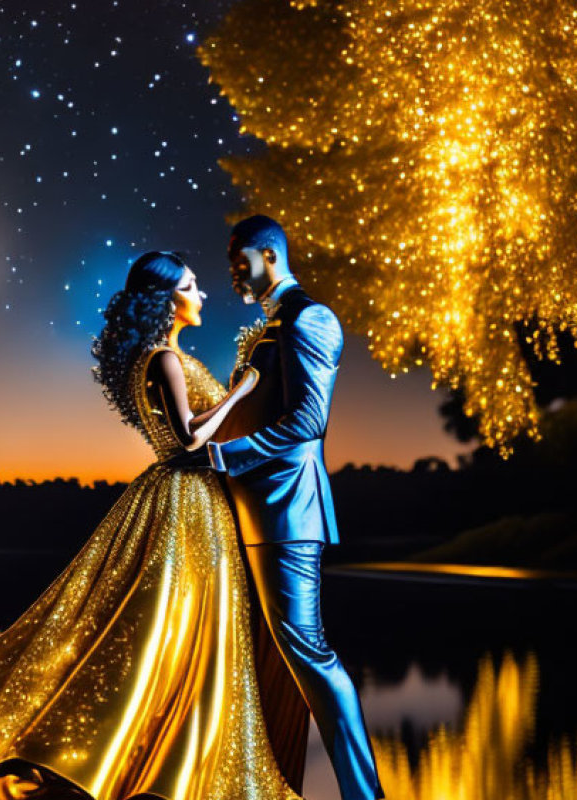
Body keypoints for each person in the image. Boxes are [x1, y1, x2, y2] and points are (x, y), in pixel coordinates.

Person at [0, 251, 308, 800]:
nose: (201, 294)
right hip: (187, 497)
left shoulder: (160, 358)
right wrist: (244, 389)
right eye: (191, 285)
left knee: (171, 629)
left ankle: (159, 759)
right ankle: (134, 763)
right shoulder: (161, 358)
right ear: (166, 299)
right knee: (162, 627)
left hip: (188, 498)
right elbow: (188, 441)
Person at [208, 215, 385, 800]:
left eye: (240, 263)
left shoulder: (310, 317)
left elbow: (309, 421)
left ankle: (365, 794)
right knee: (274, 664)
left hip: (287, 509)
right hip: (256, 511)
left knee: (308, 652)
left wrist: (224, 457)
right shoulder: (273, 324)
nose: (233, 275)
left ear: (269, 254)